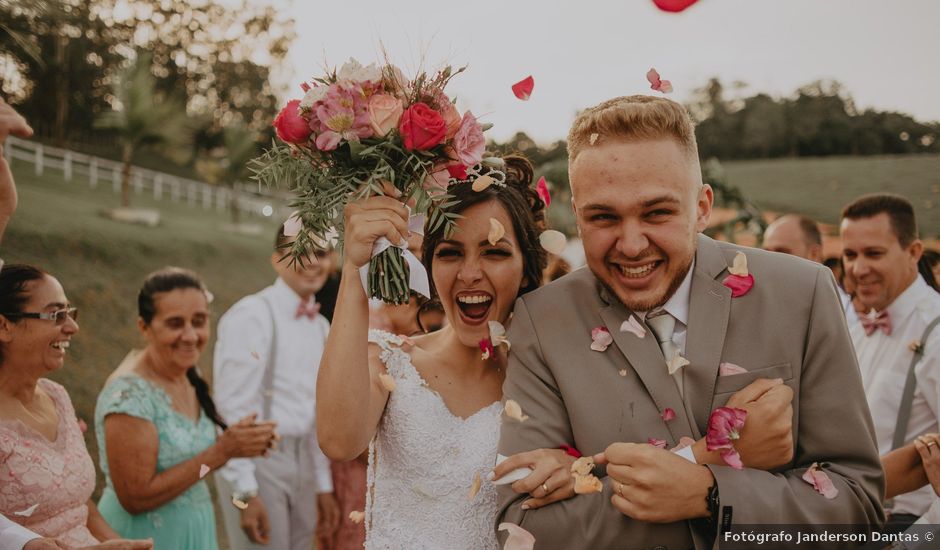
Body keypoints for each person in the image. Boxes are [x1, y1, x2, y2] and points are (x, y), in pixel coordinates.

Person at [496, 95, 884, 549]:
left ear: (702, 207)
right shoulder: (541, 321)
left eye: (657, 212)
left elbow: (858, 510)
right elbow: (524, 530)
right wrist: (702, 461)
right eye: (603, 217)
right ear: (578, 217)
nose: (633, 244)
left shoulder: (803, 293)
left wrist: (711, 495)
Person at [95, 268, 277, 550]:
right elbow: (136, 499)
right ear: (144, 326)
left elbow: (194, 465)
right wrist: (223, 451)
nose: (191, 335)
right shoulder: (128, 397)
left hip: (196, 528)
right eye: (175, 323)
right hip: (145, 538)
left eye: (199, 321)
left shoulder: (188, 375)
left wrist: (243, 446)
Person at [0, 264, 152, 550]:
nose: (72, 326)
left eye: (70, 313)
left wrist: (121, 544)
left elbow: (78, 503)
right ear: (4, 326)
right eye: (56, 315)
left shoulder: (57, 395)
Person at [213, 227, 339, 550]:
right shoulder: (251, 315)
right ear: (277, 259)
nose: (312, 261)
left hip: (304, 462)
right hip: (258, 462)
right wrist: (244, 494)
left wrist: (323, 486)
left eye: (322, 253)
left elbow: (317, 411)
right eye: (302, 250)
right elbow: (229, 413)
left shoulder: (323, 327)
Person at [841, 194, 940, 529]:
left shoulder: (935, 330)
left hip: (906, 523)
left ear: (913, 253)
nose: (858, 269)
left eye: (874, 253)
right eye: (850, 255)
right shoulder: (856, 329)